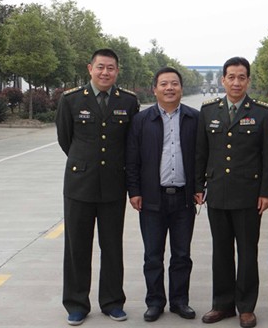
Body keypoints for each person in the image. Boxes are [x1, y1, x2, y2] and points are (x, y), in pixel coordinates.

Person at [56, 48, 139, 326]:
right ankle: (76, 304)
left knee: (112, 247)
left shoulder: (128, 101)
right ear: (90, 68)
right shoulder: (71, 100)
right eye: (100, 67)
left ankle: (113, 302)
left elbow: (130, 143)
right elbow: (66, 139)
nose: (105, 72)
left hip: (113, 185)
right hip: (79, 185)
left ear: (117, 71)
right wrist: (86, 163)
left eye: (110, 68)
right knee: (77, 247)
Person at [195, 56, 268, 328]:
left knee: (247, 252)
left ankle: (246, 307)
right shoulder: (208, 111)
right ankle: (222, 304)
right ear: (223, 80)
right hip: (217, 192)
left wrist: (267, 193)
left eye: (242, 77)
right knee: (221, 251)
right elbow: (200, 152)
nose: (236, 82)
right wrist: (198, 186)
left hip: (248, 196)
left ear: (248, 81)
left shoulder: (262, 113)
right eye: (231, 77)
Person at [125, 67, 199, 322]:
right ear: (154, 89)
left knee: (182, 255)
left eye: (174, 84)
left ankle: (180, 301)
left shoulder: (194, 118)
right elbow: (132, 160)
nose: (169, 88)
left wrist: (199, 187)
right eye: (164, 84)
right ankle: (155, 302)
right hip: (151, 198)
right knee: (153, 256)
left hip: (184, 198)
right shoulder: (141, 120)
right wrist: (134, 191)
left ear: (181, 88)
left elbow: (201, 157)